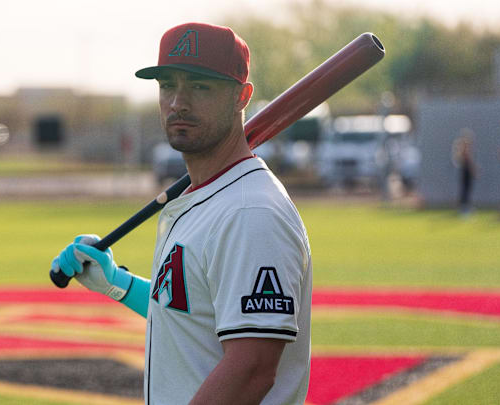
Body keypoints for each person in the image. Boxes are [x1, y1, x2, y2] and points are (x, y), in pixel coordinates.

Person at [51, 22, 312, 404]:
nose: (178, 102)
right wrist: (117, 284)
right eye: (168, 85)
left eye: (200, 86)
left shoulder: (250, 211)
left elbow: (252, 367)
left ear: (242, 97)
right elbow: (191, 319)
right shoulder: (204, 198)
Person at [452, 128, 476, 216]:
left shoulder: (461, 149)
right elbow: (468, 160)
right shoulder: (464, 149)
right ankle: (464, 209)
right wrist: (473, 169)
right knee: (466, 190)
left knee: (465, 190)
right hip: (466, 170)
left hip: (464, 169)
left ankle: (464, 207)